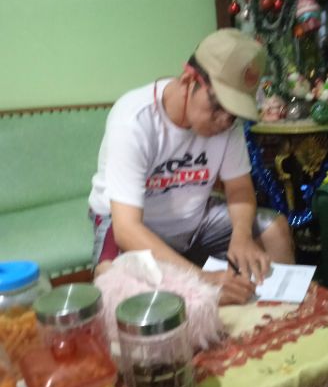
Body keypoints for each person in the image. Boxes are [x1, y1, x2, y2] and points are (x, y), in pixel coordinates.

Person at [89, 28, 294, 305]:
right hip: (130, 225)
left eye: (234, 114)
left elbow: (239, 189)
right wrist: (201, 278)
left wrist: (241, 236)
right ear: (188, 80)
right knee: (112, 282)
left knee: (274, 230)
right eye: (218, 106)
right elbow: (127, 229)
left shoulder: (227, 125)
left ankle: (279, 319)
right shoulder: (134, 120)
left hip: (195, 219)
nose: (224, 121)